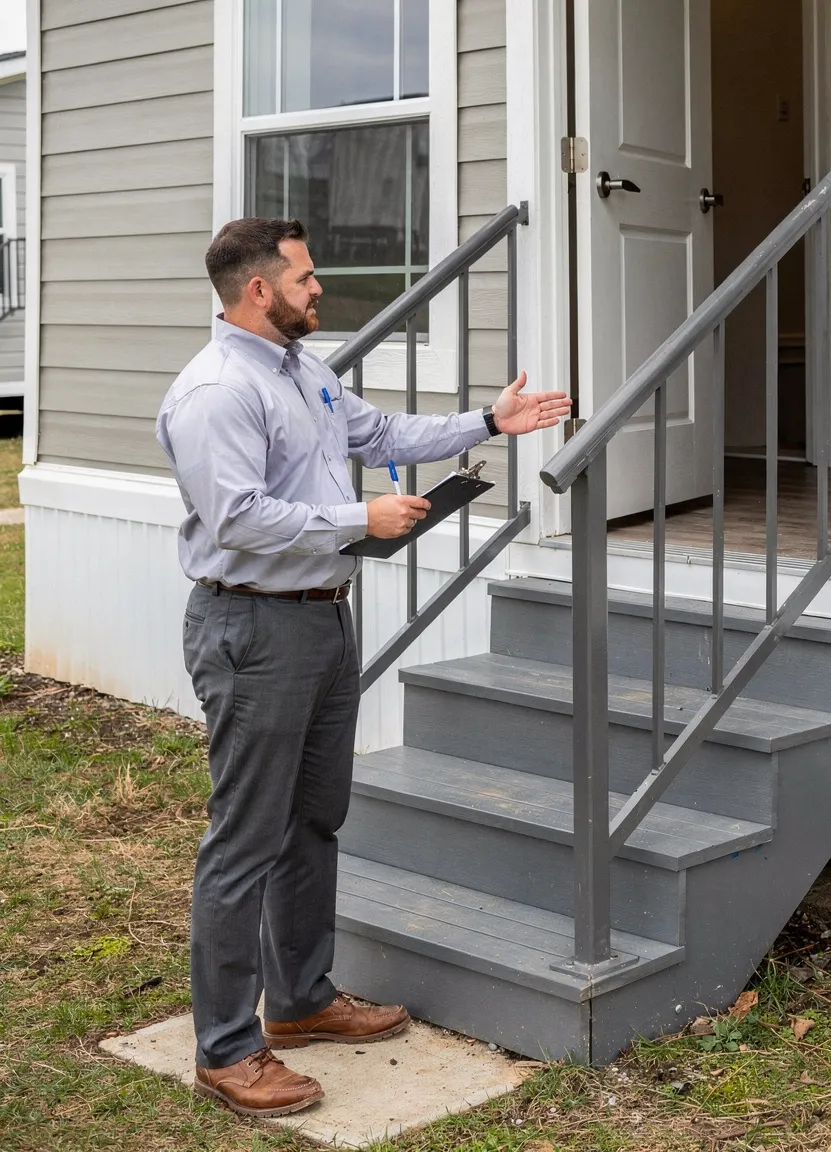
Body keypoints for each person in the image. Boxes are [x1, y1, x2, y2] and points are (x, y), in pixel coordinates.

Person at [156, 218, 570, 1117]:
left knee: (313, 822)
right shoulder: (217, 392)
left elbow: (374, 428)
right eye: (304, 277)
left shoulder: (301, 369)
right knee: (245, 840)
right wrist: (359, 522)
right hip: (254, 629)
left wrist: (487, 422)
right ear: (258, 290)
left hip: (321, 622)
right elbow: (236, 519)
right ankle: (227, 1049)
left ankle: (300, 1001)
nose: (318, 288)